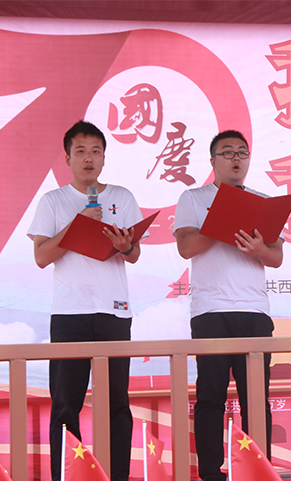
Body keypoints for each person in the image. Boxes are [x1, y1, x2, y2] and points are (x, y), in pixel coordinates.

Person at [28, 120, 143, 481]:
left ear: (104, 158)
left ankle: (117, 475)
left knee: (116, 404)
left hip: (114, 312)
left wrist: (126, 246)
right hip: (69, 314)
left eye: (96, 151)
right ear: (67, 159)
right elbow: (42, 256)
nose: (88, 158)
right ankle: (67, 476)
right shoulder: (53, 201)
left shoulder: (122, 197)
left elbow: (134, 254)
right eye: (80, 151)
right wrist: (77, 223)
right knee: (66, 405)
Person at [173, 130, 283, 481]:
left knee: (256, 399)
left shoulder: (263, 201)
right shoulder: (194, 198)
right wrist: (223, 221)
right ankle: (211, 473)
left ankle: (258, 471)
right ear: (213, 161)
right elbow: (186, 247)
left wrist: (259, 250)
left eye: (242, 152)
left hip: (254, 311)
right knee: (210, 396)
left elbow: (276, 257)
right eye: (228, 152)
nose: (236, 158)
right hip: (210, 311)